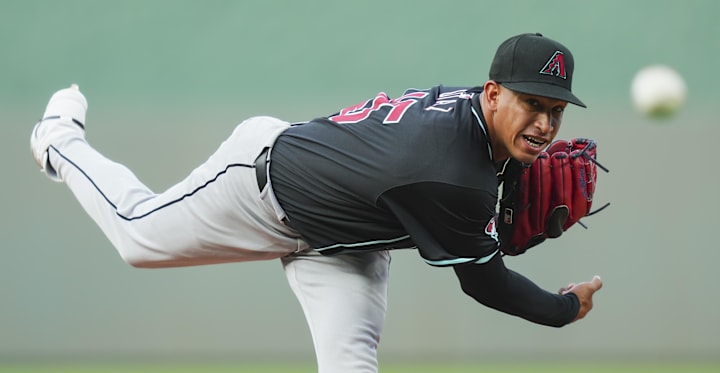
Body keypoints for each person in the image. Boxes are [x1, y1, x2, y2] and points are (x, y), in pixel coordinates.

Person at [30, 32, 603, 373]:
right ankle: (59, 141)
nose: (547, 122)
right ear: (495, 93)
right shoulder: (450, 176)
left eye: (556, 109)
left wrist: (507, 191)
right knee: (136, 237)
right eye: (533, 103)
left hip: (348, 238)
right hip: (261, 189)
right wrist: (562, 308)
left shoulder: (473, 116)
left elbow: (476, 189)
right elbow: (485, 282)